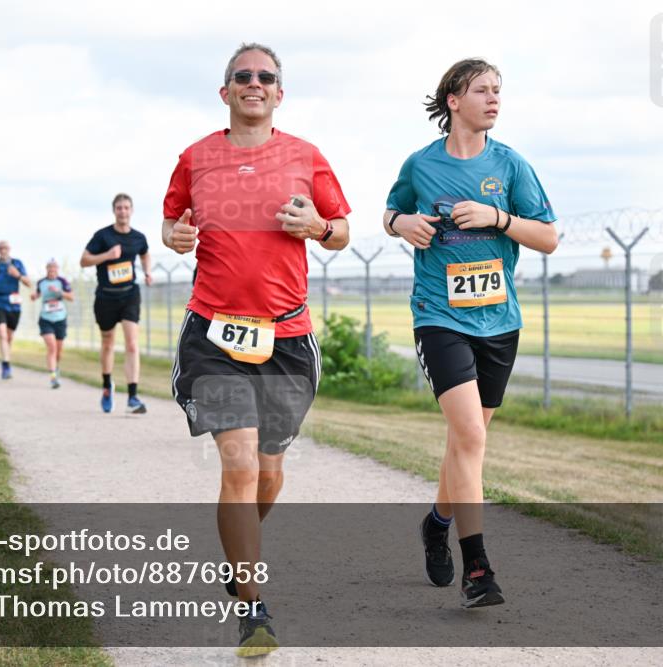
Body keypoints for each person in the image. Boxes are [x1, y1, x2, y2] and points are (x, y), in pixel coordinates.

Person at [163, 43, 350, 656]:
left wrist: (318, 229)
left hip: (288, 340)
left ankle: (236, 558)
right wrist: (177, 235)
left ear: (278, 92)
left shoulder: (306, 156)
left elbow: (342, 231)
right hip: (214, 334)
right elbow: (170, 224)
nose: (254, 83)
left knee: (268, 474)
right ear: (225, 92)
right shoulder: (196, 157)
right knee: (239, 465)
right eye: (242, 76)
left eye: (265, 77)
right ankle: (252, 605)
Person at [383, 58, 558, 609]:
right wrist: (399, 224)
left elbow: (549, 238)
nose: (494, 98)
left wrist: (497, 218)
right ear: (453, 100)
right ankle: (477, 568)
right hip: (439, 316)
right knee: (471, 439)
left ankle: (437, 523)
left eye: (499, 90)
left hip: (499, 321)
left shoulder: (510, 167)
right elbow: (391, 210)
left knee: (466, 441)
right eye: (482, 90)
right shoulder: (421, 163)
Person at [80, 194, 152, 413]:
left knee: (132, 343)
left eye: (126, 207)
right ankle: (106, 385)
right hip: (105, 297)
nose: (123, 211)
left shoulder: (138, 237)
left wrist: (147, 272)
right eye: (119, 208)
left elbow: (145, 253)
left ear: (131, 210)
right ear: (114, 211)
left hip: (129, 294)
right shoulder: (102, 236)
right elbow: (84, 260)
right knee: (108, 343)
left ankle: (132, 396)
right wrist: (107, 255)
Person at [0, 241, 31, 380]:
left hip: (14, 304)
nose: (3, 251)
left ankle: (6, 357)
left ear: (9, 249)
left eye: (5, 248)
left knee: (9, 337)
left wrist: (17, 275)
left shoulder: (17, 264)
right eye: (0, 248)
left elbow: (28, 283)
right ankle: (6, 364)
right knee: (2, 334)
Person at [31, 258, 73, 388]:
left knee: (58, 351)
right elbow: (36, 295)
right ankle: (53, 377)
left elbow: (71, 297)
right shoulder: (41, 282)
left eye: (54, 268)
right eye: (50, 268)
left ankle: (56, 368)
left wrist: (58, 292)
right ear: (47, 269)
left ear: (57, 270)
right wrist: (33, 296)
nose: (52, 271)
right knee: (52, 346)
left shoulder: (62, 282)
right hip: (45, 318)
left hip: (60, 318)